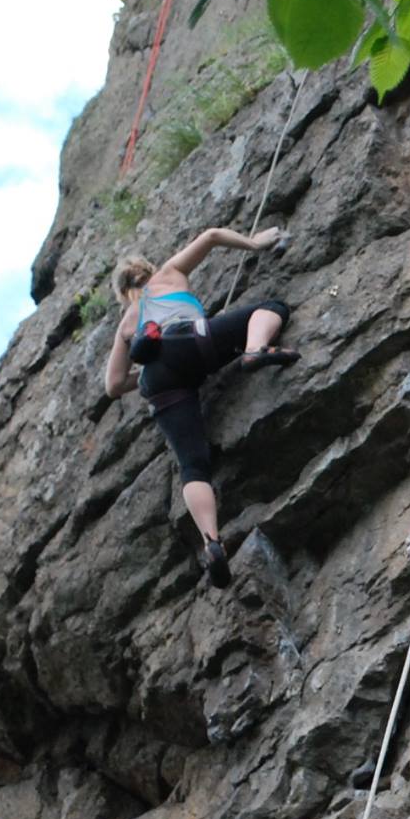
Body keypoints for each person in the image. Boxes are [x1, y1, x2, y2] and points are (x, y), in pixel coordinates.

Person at [104, 227, 299, 589]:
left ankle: (212, 539)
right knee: (271, 308)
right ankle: (255, 349)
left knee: (193, 464)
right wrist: (256, 243)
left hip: (159, 381)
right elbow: (210, 236)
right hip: (193, 341)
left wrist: (156, 365)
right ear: (148, 269)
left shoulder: (127, 323)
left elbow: (114, 385)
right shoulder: (168, 274)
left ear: (122, 293)